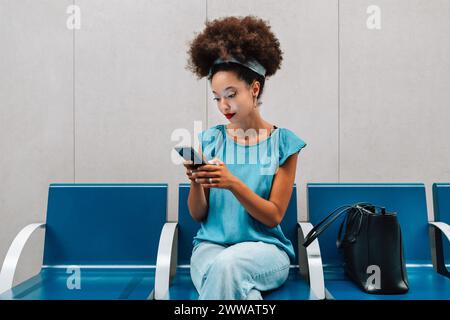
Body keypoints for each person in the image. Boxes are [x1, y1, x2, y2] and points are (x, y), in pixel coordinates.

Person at [183, 15, 307, 300]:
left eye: (231, 94)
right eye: (216, 97)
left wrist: (232, 183)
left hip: (265, 252)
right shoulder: (210, 140)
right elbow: (198, 214)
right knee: (245, 295)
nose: (223, 106)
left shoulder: (284, 144)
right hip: (210, 248)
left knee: (229, 266)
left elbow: (273, 215)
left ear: (254, 89)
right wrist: (195, 182)